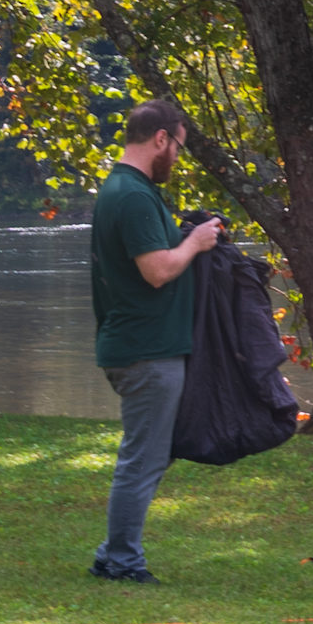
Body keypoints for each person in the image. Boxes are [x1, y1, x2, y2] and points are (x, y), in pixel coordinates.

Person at [86, 101, 226, 582]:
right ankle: (123, 562)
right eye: (179, 148)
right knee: (142, 460)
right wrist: (195, 243)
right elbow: (157, 270)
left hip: (142, 344)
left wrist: (184, 234)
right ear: (161, 139)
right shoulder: (133, 196)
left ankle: (113, 553)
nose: (178, 160)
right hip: (146, 351)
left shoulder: (126, 189)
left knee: (149, 454)